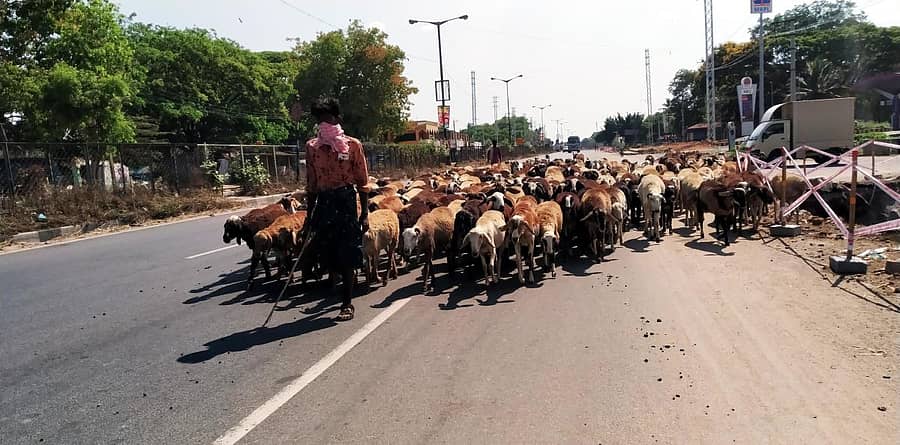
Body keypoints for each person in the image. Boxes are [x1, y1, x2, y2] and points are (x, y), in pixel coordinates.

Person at [304, 97, 368, 321]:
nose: (324, 123)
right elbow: (311, 184)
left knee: (347, 253)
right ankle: (336, 283)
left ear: (337, 118)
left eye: (328, 118)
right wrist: (308, 216)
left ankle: (347, 302)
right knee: (328, 252)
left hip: (346, 200)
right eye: (320, 120)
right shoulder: (312, 147)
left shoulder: (353, 145)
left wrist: (365, 213)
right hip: (324, 202)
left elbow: (362, 181)